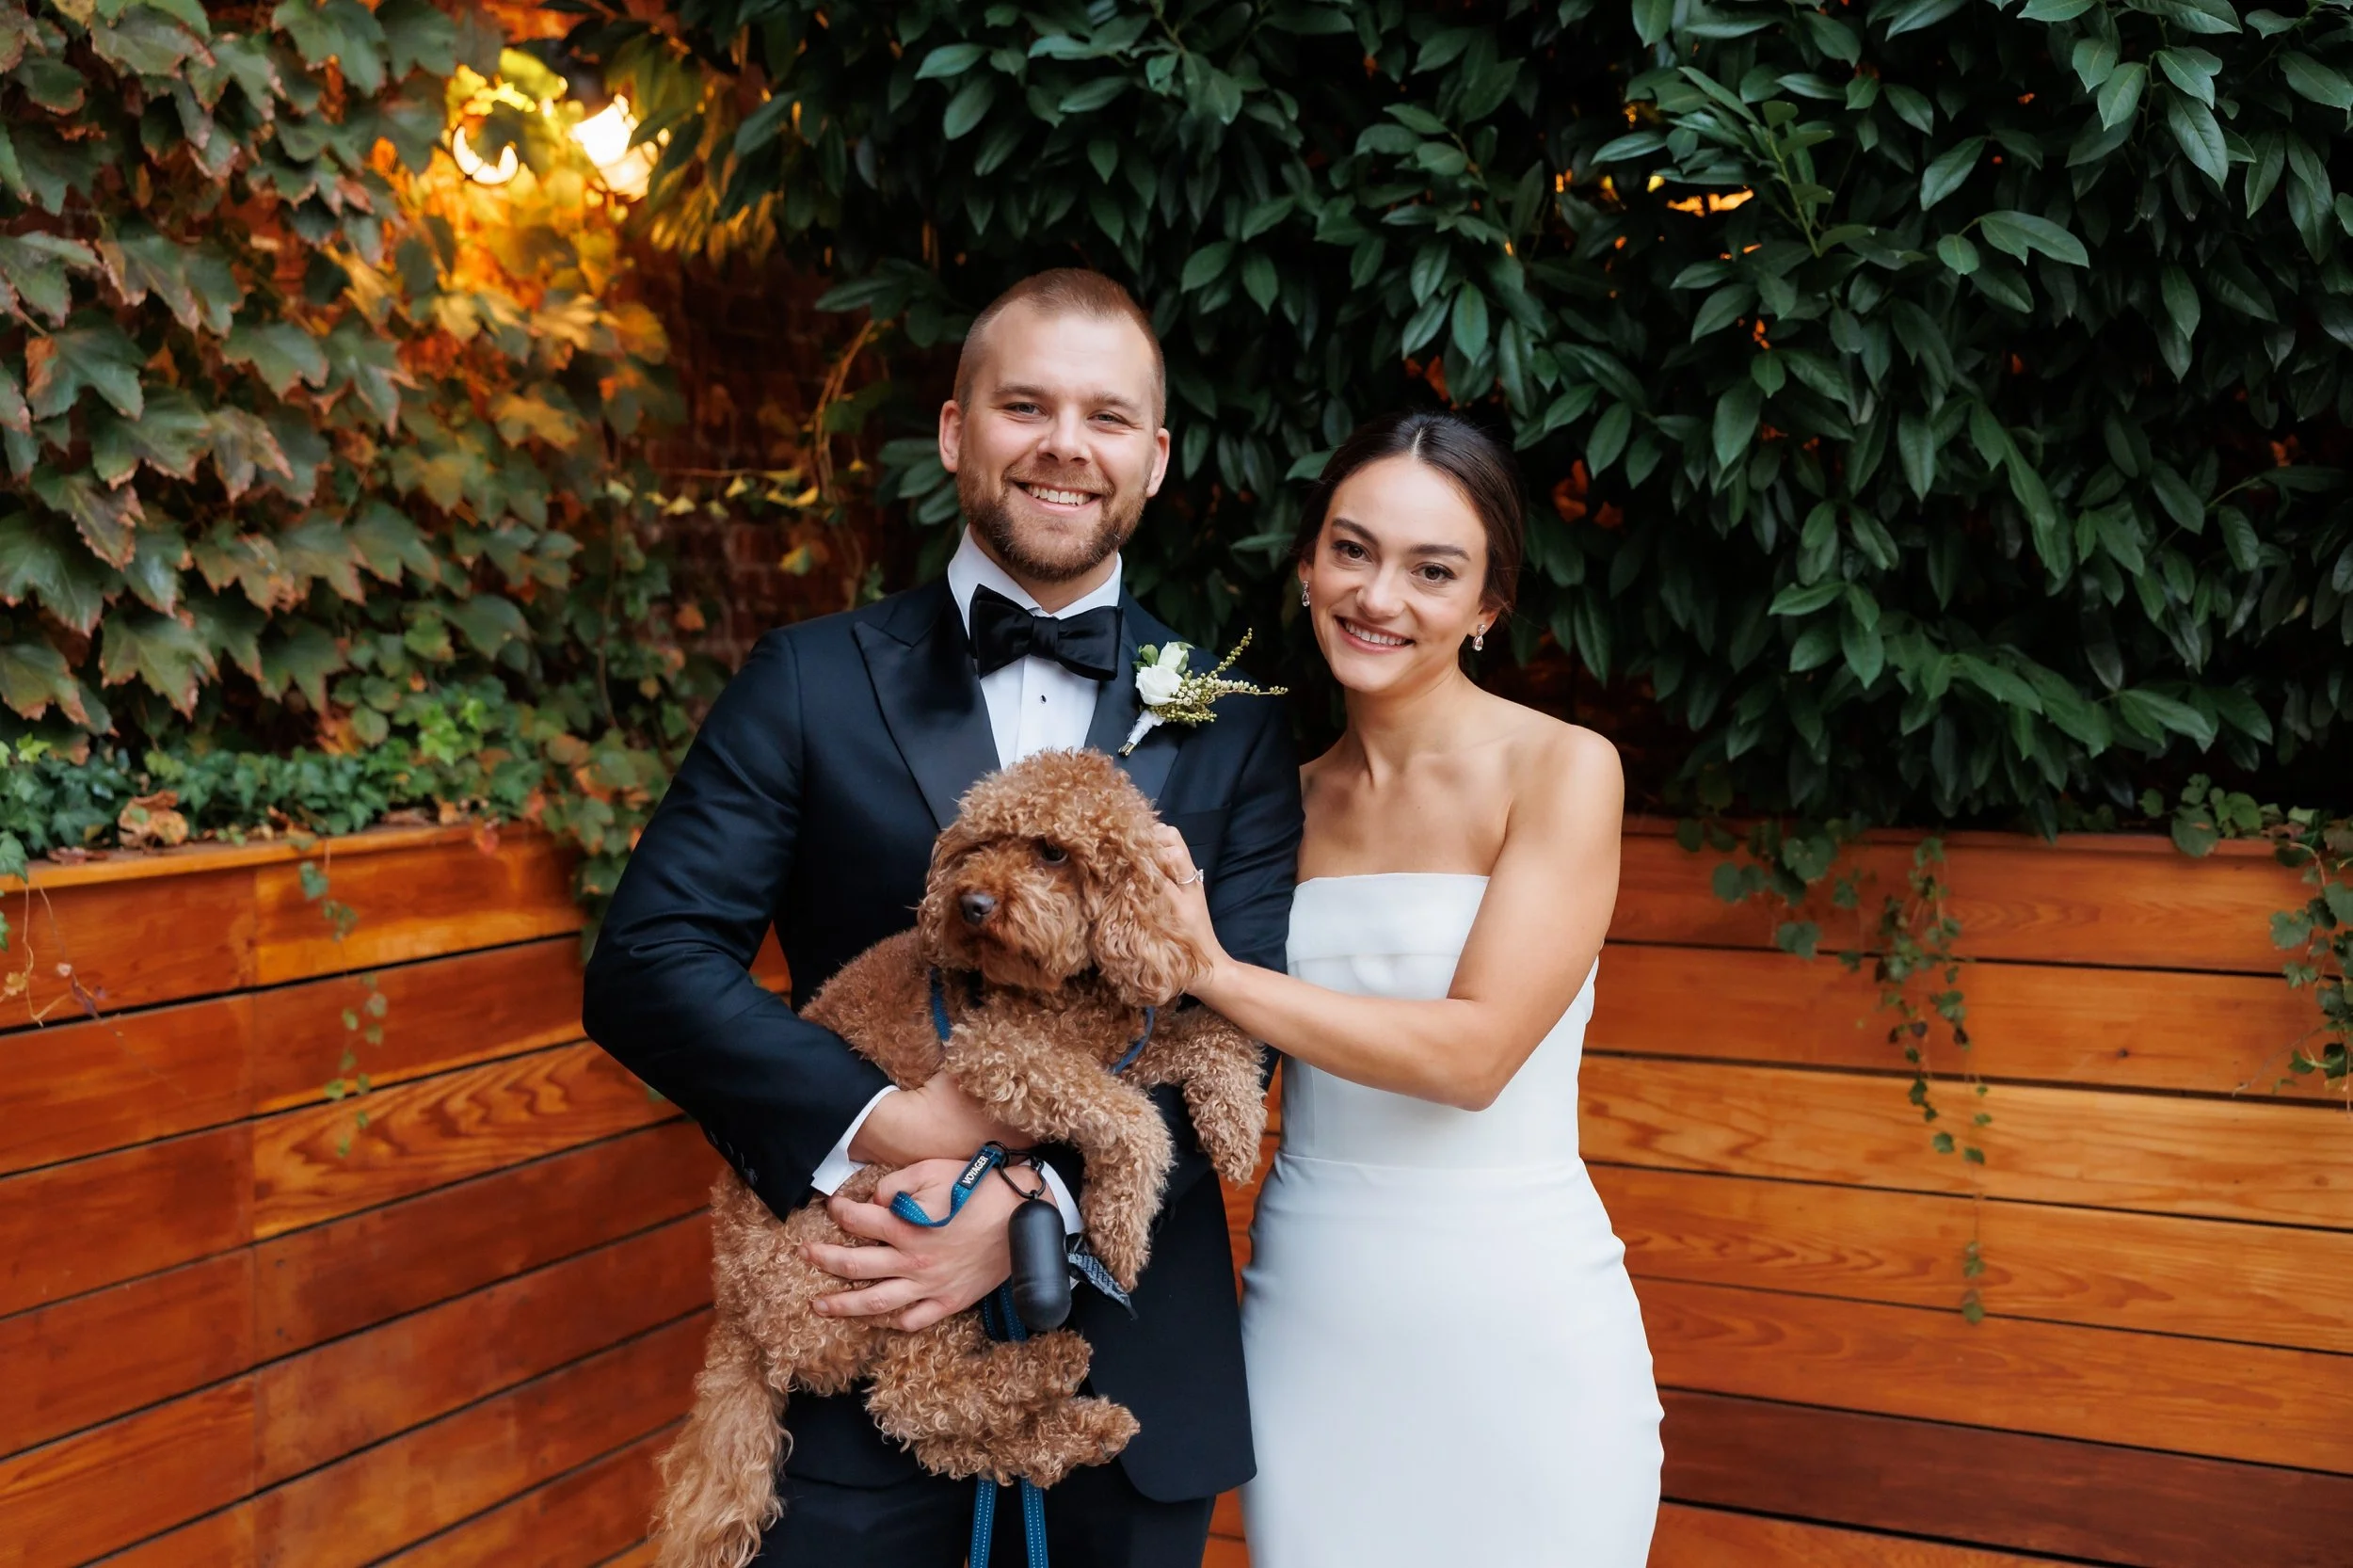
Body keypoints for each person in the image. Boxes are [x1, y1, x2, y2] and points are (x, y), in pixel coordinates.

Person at [582, 269, 1303, 1567]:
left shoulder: (1234, 722)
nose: (1064, 444)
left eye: (1105, 415)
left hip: (1127, 1386)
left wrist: (1039, 1206)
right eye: (1024, 403)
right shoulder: (806, 679)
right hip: (854, 1371)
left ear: (1154, 454)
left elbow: (1238, 1029)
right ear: (958, 429)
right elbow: (647, 960)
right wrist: (888, 1121)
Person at [1152, 410, 1665, 1566]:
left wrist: (1216, 973)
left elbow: (1473, 1057)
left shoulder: (1563, 768)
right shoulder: (1270, 801)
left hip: (1523, 1309)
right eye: (1353, 549)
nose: (1380, 596)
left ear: (1487, 607)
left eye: (1433, 571)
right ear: (1306, 563)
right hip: (1316, 1311)